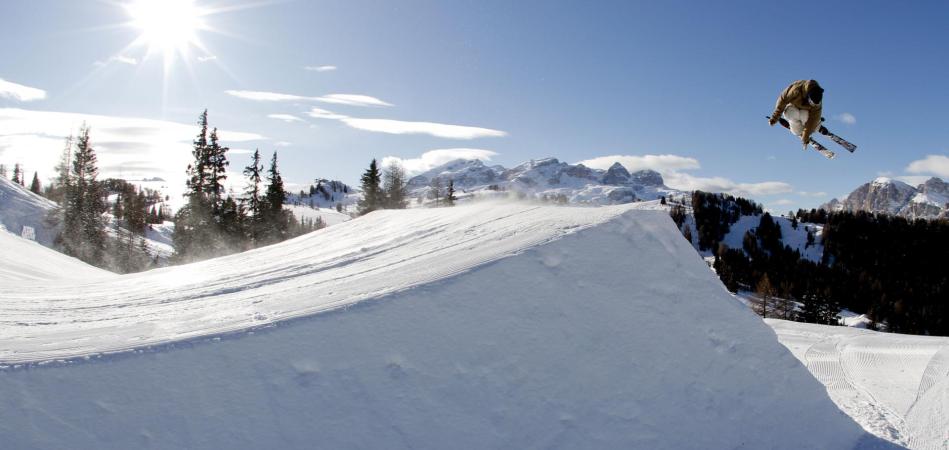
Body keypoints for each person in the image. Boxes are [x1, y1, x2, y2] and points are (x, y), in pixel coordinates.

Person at [768, 79, 828, 149]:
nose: (813, 105)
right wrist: (775, 118)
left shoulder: (817, 103)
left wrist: (806, 136)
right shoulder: (795, 90)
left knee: (805, 116)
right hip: (792, 109)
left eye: (815, 104)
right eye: (812, 103)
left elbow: (813, 119)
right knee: (795, 128)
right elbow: (782, 101)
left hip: (805, 113)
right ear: (808, 97)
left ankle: (816, 127)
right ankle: (799, 130)